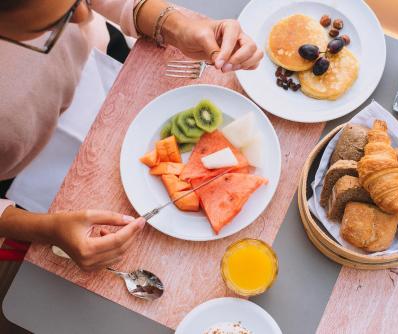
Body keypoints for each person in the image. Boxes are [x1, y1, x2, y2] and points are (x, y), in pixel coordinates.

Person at [0, 0, 263, 271]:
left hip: (104, 64)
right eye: (59, 21)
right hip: (28, 176)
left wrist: (179, 26)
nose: (84, 14)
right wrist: (49, 229)